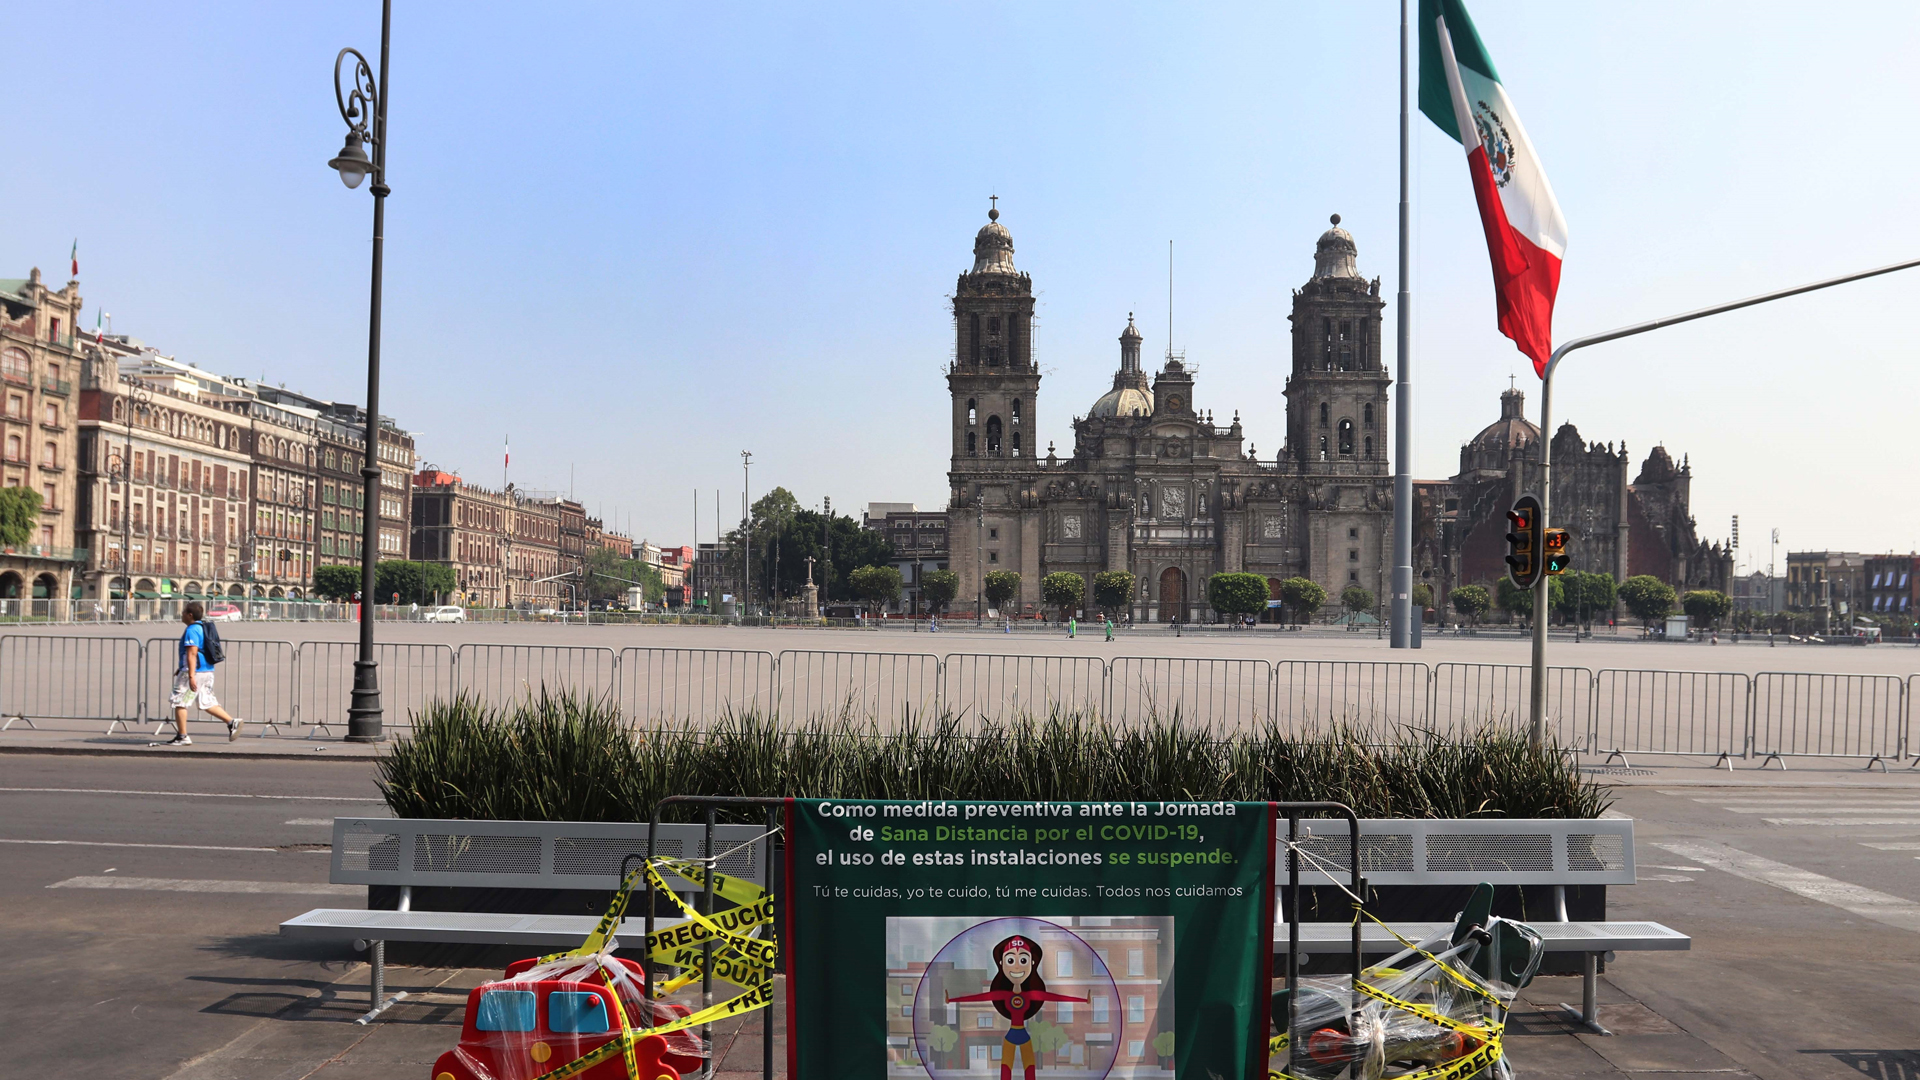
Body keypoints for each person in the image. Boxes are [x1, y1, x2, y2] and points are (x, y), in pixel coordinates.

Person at [947, 936, 1087, 1080]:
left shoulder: (1032, 994)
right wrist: (951, 999)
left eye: (1023, 960)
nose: (1017, 966)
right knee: (1006, 1069)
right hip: (1012, 1035)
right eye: (1010, 960)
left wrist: (1083, 999)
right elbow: (977, 998)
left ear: (1032, 963)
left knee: (1029, 1068)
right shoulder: (1003, 994)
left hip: (1022, 1035)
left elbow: (1056, 997)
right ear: (1001, 964)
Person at [167, 601, 242, 745]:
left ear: (190, 615)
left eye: (183, 612)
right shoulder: (202, 627)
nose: (181, 615)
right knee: (206, 701)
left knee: (179, 702)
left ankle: (182, 736)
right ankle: (232, 722)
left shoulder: (192, 630)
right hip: (207, 670)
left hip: (195, 672)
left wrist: (190, 675)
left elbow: (192, 653)